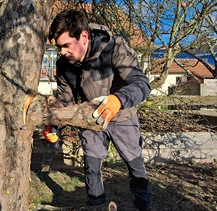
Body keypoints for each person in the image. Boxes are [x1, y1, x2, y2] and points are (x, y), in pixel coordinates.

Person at [47, 9, 152, 211]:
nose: (62, 52)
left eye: (66, 45)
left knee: (135, 166)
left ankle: (143, 207)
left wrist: (118, 100)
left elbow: (142, 84)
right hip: (91, 119)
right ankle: (96, 207)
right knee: (92, 167)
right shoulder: (65, 65)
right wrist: (53, 126)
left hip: (123, 116)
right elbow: (64, 100)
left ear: (83, 37)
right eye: (59, 47)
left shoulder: (114, 48)